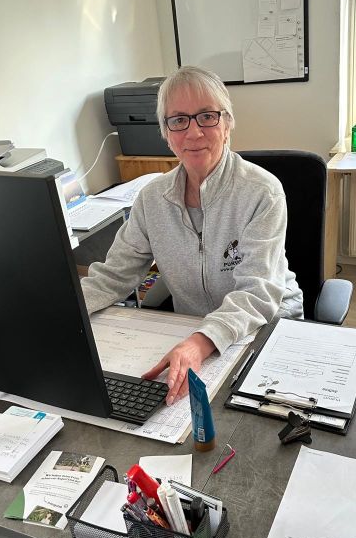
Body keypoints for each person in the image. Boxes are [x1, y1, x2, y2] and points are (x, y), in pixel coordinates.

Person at [82, 66, 303, 405]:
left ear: (227, 124)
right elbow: (113, 276)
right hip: (194, 331)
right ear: (166, 132)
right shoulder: (152, 199)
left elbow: (257, 292)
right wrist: (62, 312)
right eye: (179, 120)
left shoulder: (261, 192)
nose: (194, 132)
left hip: (266, 328)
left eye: (207, 116)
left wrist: (200, 341)